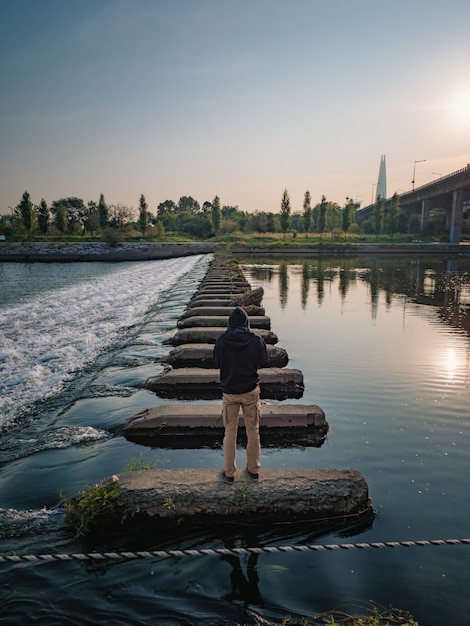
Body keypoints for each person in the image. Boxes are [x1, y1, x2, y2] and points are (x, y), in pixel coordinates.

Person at [213, 306, 269, 483]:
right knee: (253, 430)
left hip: (230, 392)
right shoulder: (255, 340)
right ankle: (253, 470)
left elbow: (216, 363)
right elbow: (264, 361)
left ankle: (229, 473)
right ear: (246, 322)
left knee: (230, 431)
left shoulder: (222, 340)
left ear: (230, 323)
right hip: (251, 392)